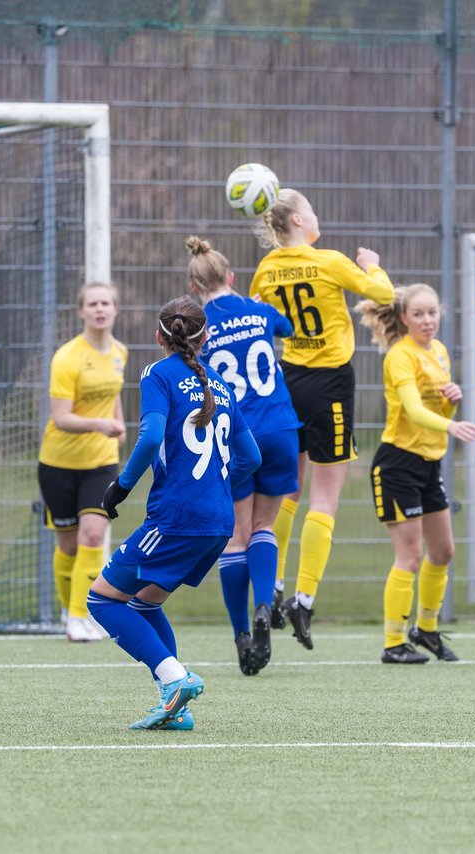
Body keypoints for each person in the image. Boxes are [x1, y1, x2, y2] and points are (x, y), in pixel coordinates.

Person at [88, 296, 260, 730]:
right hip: (220, 522)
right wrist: (216, 491)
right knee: (145, 606)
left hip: (176, 518)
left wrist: (120, 488)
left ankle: (174, 679)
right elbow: (250, 458)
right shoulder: (219, 384)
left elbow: (148, 440)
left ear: (158, 336)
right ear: (207, 337)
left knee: (102, 599)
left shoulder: (157, 374)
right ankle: (174, 705)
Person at [249, 188, 394, 649]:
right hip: (330, 383)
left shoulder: (268, 269)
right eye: (309, 209)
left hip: (287, 379)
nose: (316, 215)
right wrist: (371, 263)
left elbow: (257, 315)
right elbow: (384, 293)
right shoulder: (329, 260)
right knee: (324, 498)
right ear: (294, 220)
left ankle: (270, 586)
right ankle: (303, 597)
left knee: (287, 492)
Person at [186, 235, 299, 675]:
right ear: (232, 277)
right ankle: (263, 603)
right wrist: (256, 308)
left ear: (195, 288)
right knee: (265, 527)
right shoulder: (259, 311)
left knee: (236, 536)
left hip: (235, 435)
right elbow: (287, 328)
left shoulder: (199, 324)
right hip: (280, 426)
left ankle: (240, 632)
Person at [357, 284, 475, 664]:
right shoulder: (400, 356)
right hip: (398, 464)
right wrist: (451, 426)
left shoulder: (439, 351)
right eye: (420, 314)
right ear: (404, 318)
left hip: (428, 464)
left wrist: (449, 403)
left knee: (442, 552)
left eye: (433, 312)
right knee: (409, 557)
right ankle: (393, 642)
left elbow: (436, 412)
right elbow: (411, 410)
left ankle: (425, 630)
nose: (428, 320)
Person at [38, 281, 127, 643]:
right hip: (58, 463)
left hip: (101, 463)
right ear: (81, 311)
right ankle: (68, 611)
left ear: (115, 309)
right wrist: (100, 424)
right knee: (69, 547)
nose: (100, 309)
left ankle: (80, 615)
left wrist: (117, 425)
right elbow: (61, 418)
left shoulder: (119, 352)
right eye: (92, 304)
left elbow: (114, 395)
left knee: (94, 534)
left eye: (106, 302)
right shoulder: (67, 358)